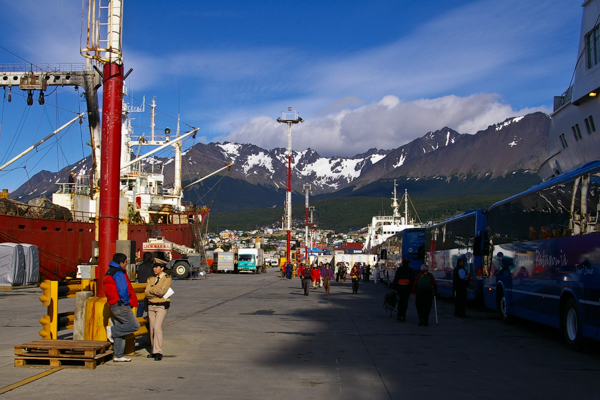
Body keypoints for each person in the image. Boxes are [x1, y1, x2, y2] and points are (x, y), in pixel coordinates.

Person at [104, 253, 140, 362]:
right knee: (134, 325)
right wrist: (126, 301)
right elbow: (123, 289)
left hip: (113, 304)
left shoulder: (109, 271)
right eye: (125, 262)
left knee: (121, 329)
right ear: (121, 263)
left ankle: (118, 355)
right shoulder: (119, 273)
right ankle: (111, 329)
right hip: (120, 304)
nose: (126, 264)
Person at [144, 263, 172, 361]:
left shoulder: (167, 278)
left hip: (161, 305)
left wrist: (152, 290)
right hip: (151, 305)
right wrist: (155, 292)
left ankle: (158, 351)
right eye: (154, 267)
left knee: (157, 327)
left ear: (162, 268)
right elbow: (147, 292)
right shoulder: (151, 279)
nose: (154, 269)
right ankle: (153, 350)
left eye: (156, 267)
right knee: (152, 328)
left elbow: (162, 292)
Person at [136, 252, 155, 317]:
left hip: (141, 287)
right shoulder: (152, 266)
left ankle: (138, 318)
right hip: (149, 287)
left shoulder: (140, 266)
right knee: (151, 305)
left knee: (141, 304)